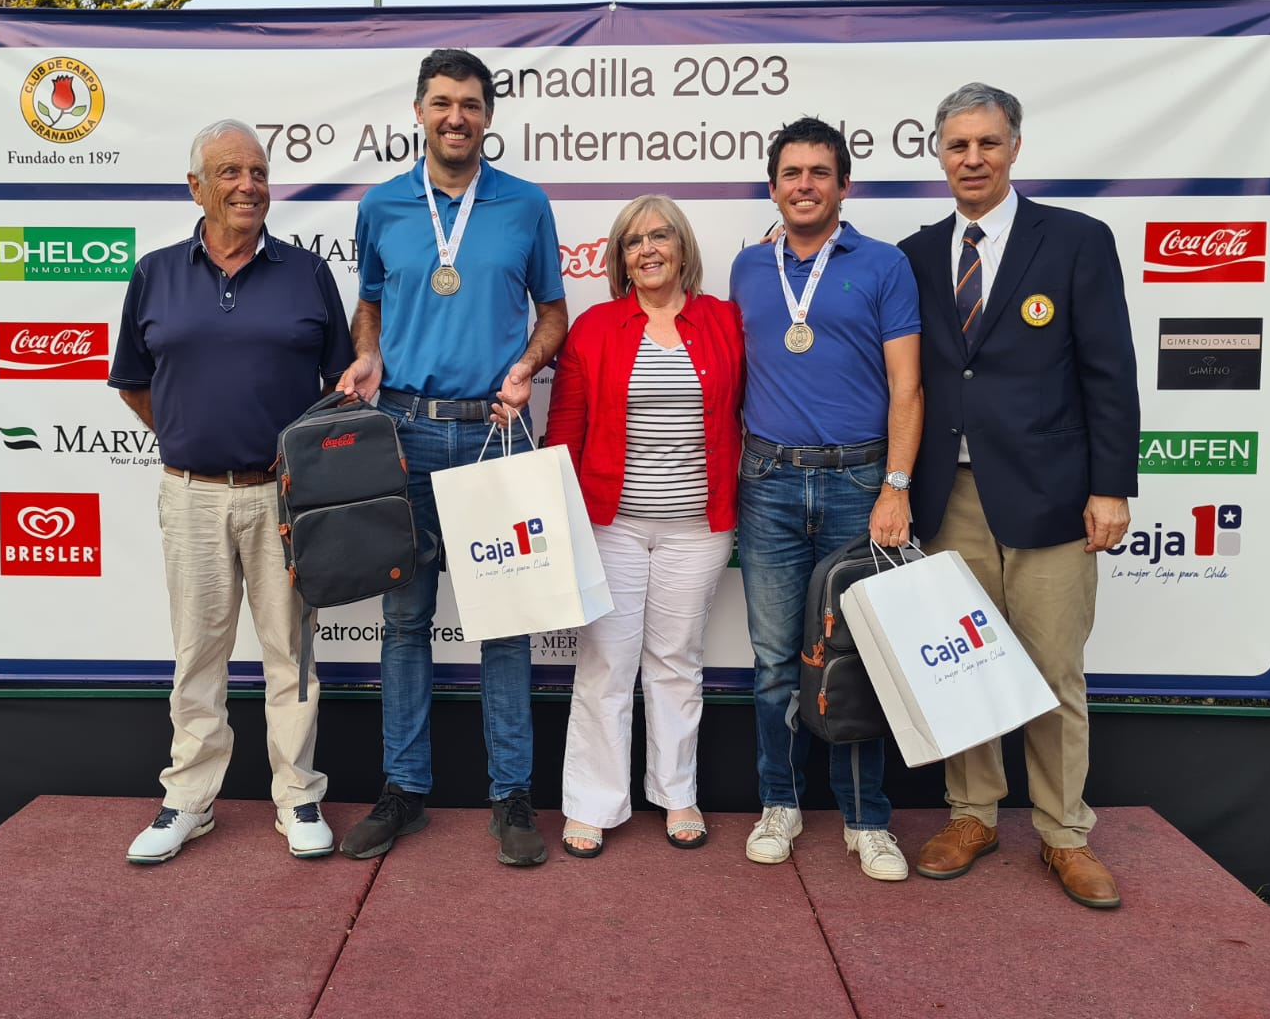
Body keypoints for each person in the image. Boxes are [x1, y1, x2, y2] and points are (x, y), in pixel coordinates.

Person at [898, 82, 1139, 909]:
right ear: (939, 154)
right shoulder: (914, 255)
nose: (973, 159)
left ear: (1015, 149)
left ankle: (1064, 833)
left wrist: (1111, 487)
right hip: (947, 497)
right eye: (958, 145)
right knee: (962, 669)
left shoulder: (1075, 241)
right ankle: (972, 815)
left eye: (988, 143)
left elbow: (1110, 373)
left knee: (1052, 670)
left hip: (1051, 498)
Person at [336, 49, 568, 868]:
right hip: (400, 431)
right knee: (405, 622)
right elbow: (370, 303)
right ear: (419, 111)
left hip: (491, 435)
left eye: (470, 104)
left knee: (505, 625)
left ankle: (512, 797)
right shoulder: (382, 205)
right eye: (441, 103)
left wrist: (528, 364)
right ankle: (404, 791)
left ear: (489, 116)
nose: (456, 117)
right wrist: (368, 354)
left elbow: (553, 311)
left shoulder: (526, 204)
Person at [110, 119, 354, 864]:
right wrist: (195, 437)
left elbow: (339, 386)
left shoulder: (307, 273)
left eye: (258, 172)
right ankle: (189, 799)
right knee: (198, 656)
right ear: (196, 187)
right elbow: (134, 382)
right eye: (229, 172)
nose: (248, 186)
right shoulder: (155, 273)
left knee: (292, 655)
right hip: (191, 496)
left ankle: (298, 795)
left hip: (285, 497)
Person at [729, 117, 922, 877]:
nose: (804, 184)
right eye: (791, 173)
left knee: (861, 657)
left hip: (858, 482)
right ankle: (778, 803)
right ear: (772, 187)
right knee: (775, 661)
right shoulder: (749, 266)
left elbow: (907, 386)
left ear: (844, 185)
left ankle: (866, 819)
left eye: (819, 172)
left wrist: (896, 486)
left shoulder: (884, 264)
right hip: (769, 484)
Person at [545, 195, 744, 858]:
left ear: (683, 248)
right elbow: (565, 429)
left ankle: (677, 792)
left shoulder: (725, 321)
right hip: (613, 526)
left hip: (698, 527)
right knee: (606, 662)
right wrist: (559, 521)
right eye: (633, 241)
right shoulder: (595, 327)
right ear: (620, 258)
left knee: (677, 661)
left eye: (660, 236)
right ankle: (592, 803)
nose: (648, 249)